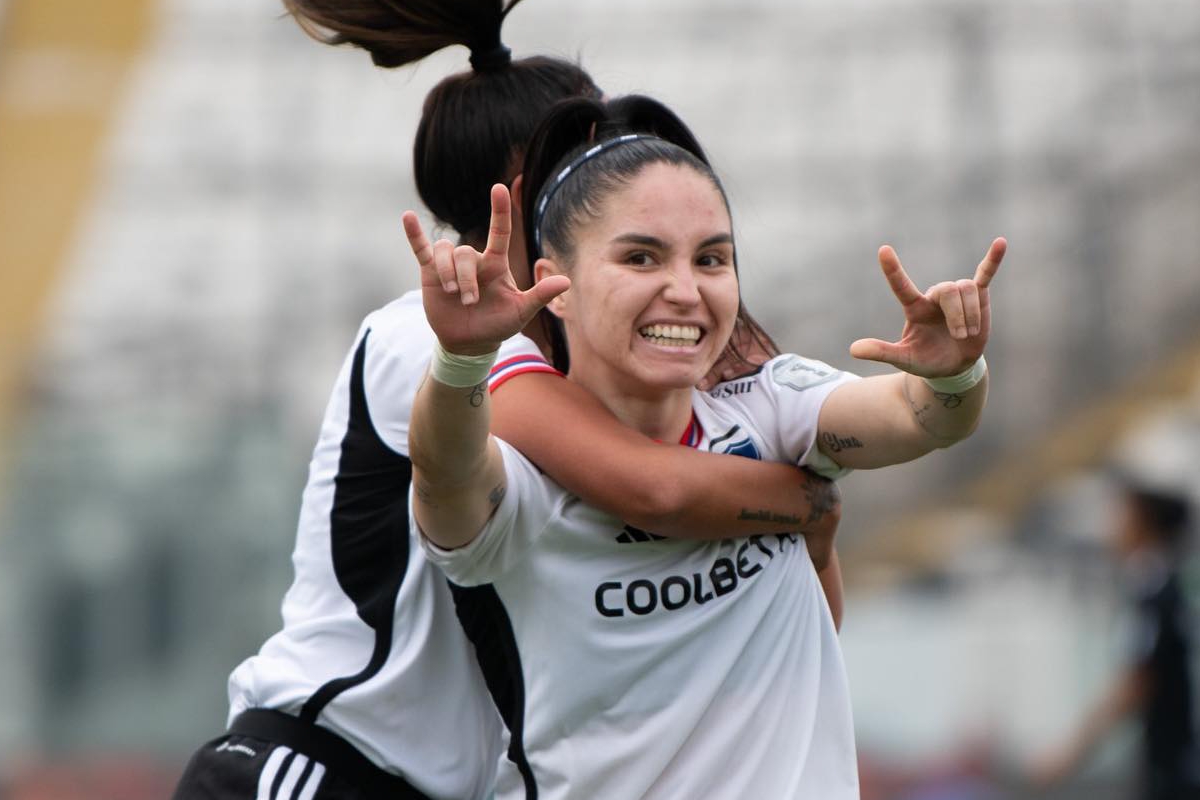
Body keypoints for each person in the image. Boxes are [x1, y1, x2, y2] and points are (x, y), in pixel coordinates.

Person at [171, 3, 848, 799]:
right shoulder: (428, 338)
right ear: (523, 192)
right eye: (587, 159)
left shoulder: (569, 350)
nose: (618, 184)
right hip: (325, 768)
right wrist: (808, 500)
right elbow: (655, 487)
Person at [407, 93, 1006, 799]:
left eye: (712, 259)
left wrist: (954, 373)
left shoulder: (774, 409)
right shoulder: (529, 481)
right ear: (554, 287)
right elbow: (444, 473)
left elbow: (921, 418)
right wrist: (460, 359)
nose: (685, 291)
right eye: (641, 258)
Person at [1031, 477, 1199, 800]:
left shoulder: (1155, 595)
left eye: (1121, 513)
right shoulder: (1159, 588)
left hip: (1173, 770)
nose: (1111, 524)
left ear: (1143, 523)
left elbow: (1136, 682)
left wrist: (1069, 753)